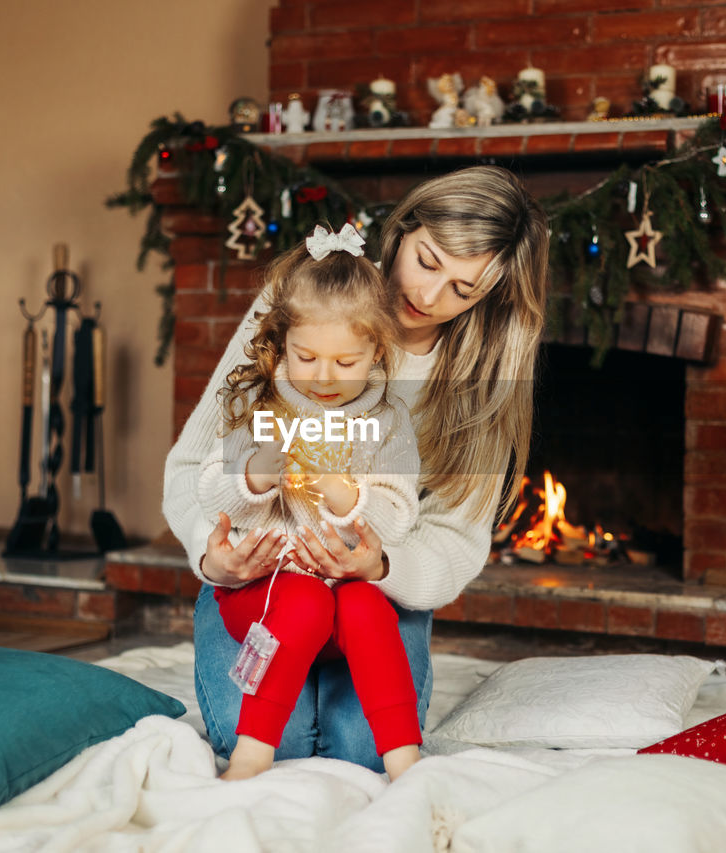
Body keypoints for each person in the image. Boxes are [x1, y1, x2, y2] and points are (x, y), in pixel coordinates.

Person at [163, 165, 549, 774]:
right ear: (404, 230)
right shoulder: (307, 300)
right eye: (428, 260)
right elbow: (196, 464)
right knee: (273, 744)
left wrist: (381, 565)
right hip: (261, 581)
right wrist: (215, 560)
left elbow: (454, 538)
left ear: (487, 297)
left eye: (463, 289)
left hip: (373, 590)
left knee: (365, 751)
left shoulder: (479, 380)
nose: (428, 296)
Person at [201, 225, 423, 780]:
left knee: (368, 607)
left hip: (346, 588)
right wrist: (253, 476)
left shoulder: (388, 422)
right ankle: (253, 753)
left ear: (377, 349)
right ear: (282, 345)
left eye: (346, 363)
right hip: (267, 589)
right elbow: (210, 491)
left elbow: (399, 512)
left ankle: (407, 763)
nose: (325, 377)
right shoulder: (263, 405)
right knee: (304, 600)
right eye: (306, 357)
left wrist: (350, 497)